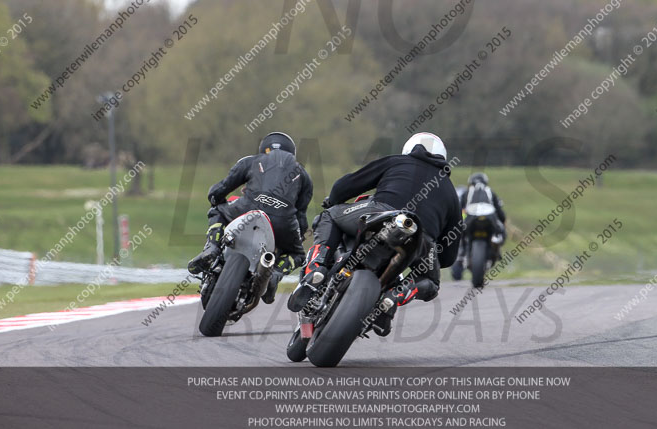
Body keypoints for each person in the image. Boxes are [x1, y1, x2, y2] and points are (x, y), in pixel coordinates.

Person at [288, 132, 462, 336]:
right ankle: (395, 295)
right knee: (431, 282)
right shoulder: (451, 192)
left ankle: (316, 268)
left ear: (409, 149)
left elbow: (345, 186)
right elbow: (448, 256)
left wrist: (334, 199)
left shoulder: (397, 162)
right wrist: (429, 252)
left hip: (380, 214)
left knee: (330, 215)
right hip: (420, 239)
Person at [187, 132, 313, 304]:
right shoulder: (304, 175)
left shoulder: (251, 161)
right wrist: (295, 237)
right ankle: (275, 275)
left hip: (246, 209)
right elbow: (301, 219)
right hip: (283, 223)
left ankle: (212, 248)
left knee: (217, 211)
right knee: (298, 254)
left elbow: (222, 188)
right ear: (292, 152)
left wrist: (215, 199)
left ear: (264, 149)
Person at [460, 172, 507, 255]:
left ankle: (462, 251)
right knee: (500, 230)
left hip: (471, 218)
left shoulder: (467, 192)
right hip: (490, 217)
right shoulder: (490, 191)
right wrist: (502, 221)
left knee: (461, 232)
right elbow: (499, 210)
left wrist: (461, 220)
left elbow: (460, 209)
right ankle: (497, 245)